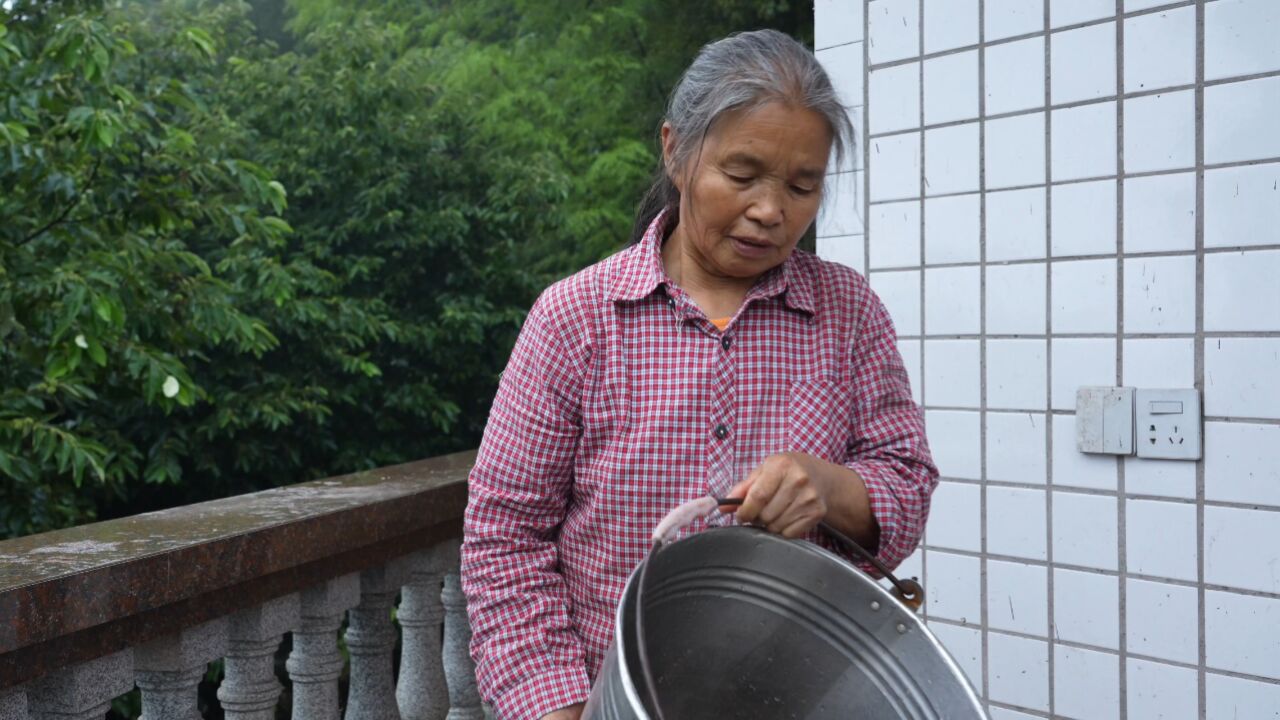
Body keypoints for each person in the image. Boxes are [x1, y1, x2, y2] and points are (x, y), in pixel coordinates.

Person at [460, 28, 938, 720]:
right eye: (742, 175)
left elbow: (907, 480)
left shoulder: (848, 312)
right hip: (615, 697)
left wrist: (829, 487)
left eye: (803, 186)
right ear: (675, 151)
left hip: (802, 695)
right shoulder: (577, 319)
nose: (772, 210)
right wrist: (558, 711)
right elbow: (506, 538)